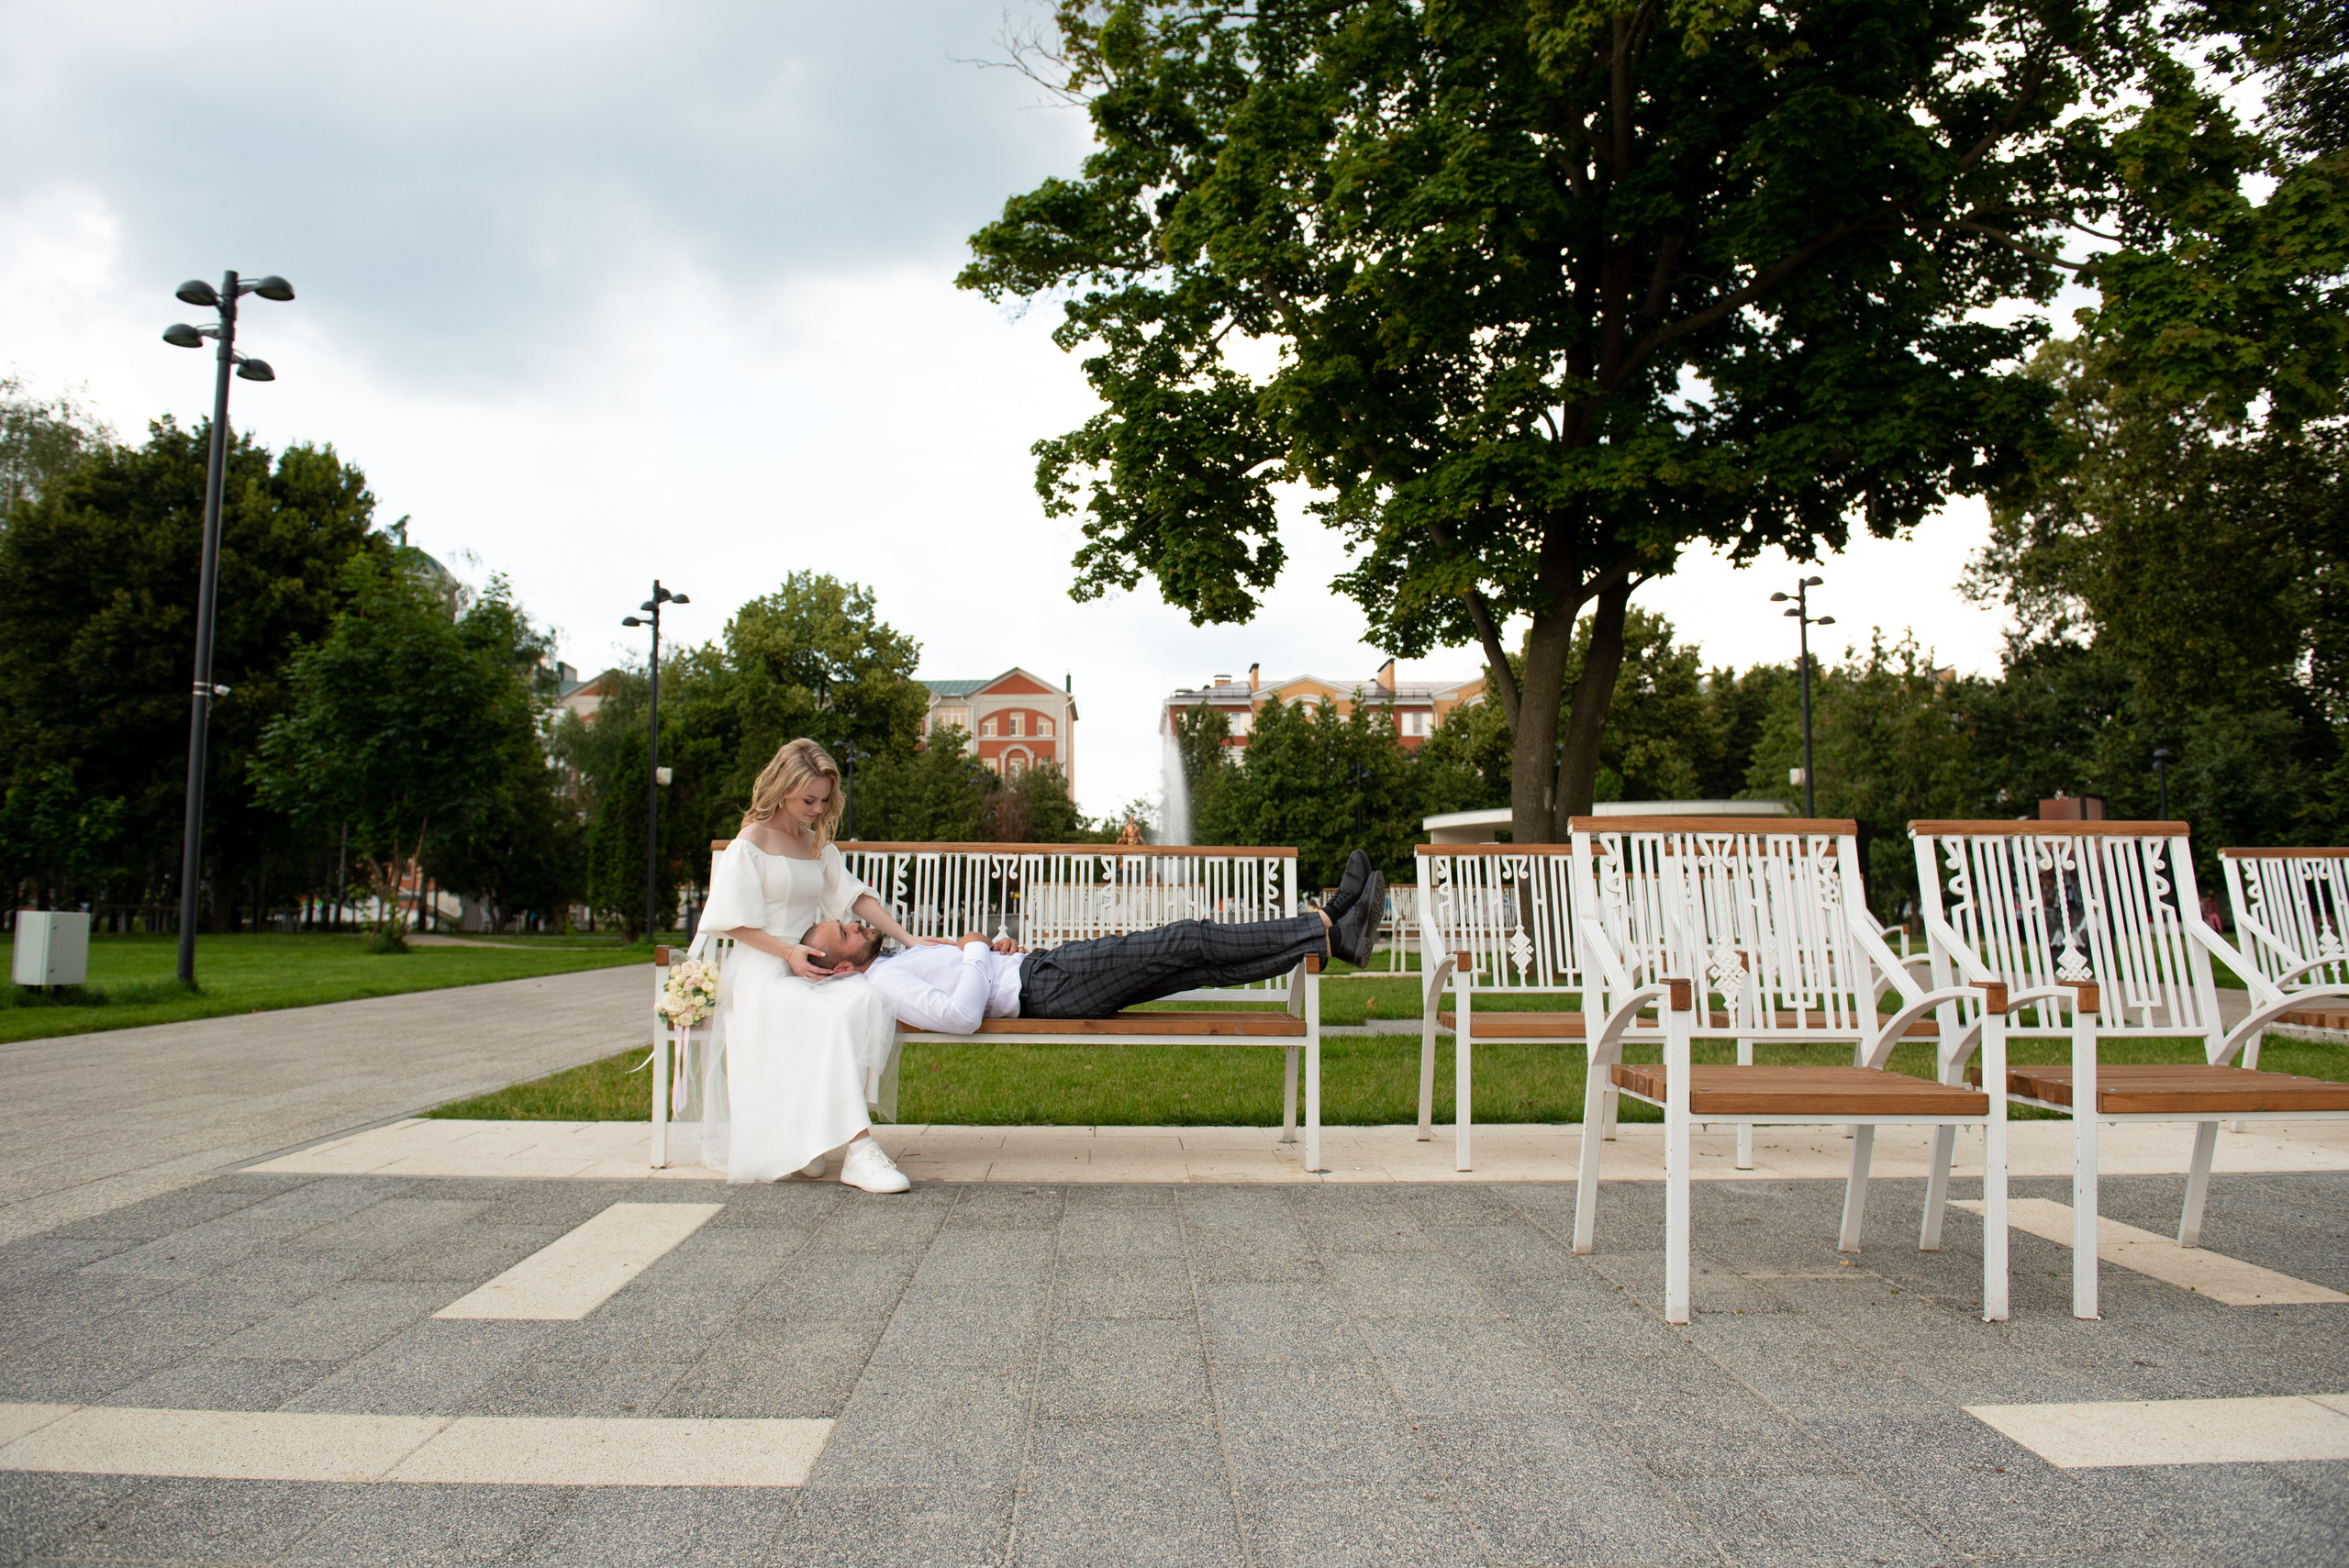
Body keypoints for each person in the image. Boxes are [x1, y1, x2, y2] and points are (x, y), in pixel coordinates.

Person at [692, 738, 945, 1193]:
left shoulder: (815, 845)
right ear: (782, 788)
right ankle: (859, 1150)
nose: (817, 809)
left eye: (825, 800)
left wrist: (909, 939)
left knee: (864, 997)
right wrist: (787, 953)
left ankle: (815, 1135)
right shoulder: (750, 843)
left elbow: (854, 897)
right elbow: (730, 923)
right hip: (764, 968)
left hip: (811, 963)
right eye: (808, 800)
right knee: (828, 1016)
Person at [803, 852, 1386, 1035]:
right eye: (846, 933)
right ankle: (1330, 921)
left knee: (1196, 962)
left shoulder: (892, 960)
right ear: (841, 969)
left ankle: (1332, 939)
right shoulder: (884, 982)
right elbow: (960, 1016)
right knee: (1188, 937)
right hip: (1048, 988)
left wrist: (994, 947)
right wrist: (977, 947)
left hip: (1041, 971)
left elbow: (971, 978)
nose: (856, 925)